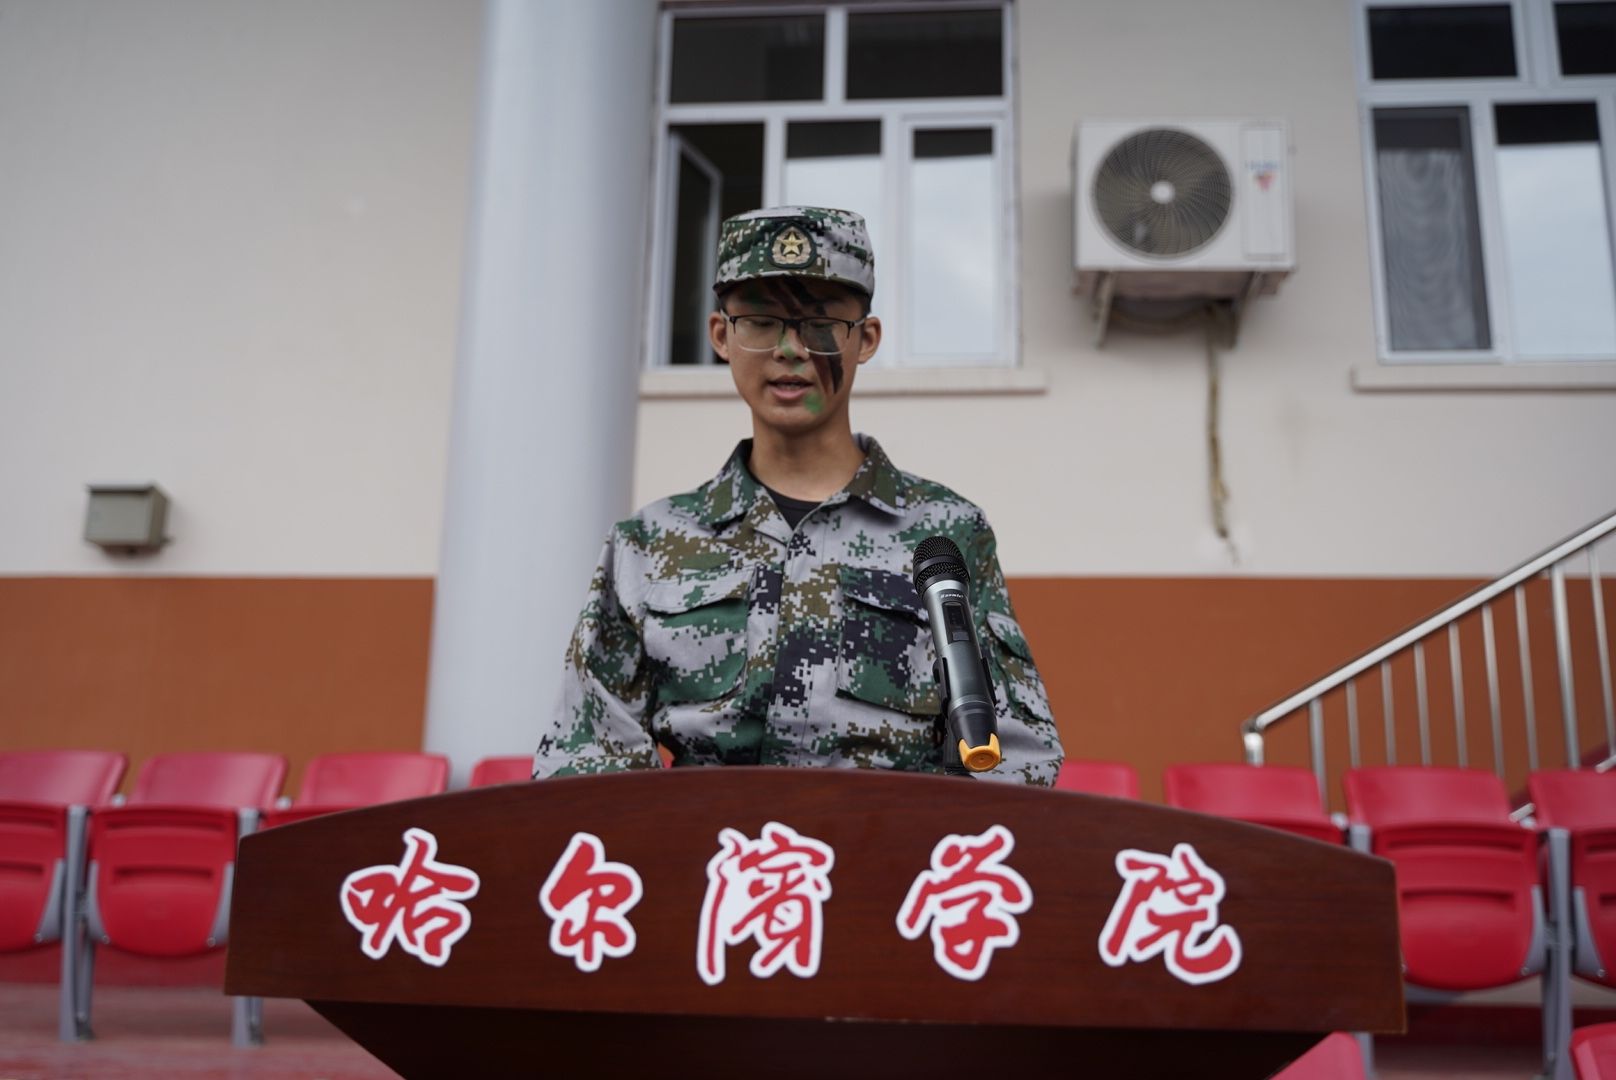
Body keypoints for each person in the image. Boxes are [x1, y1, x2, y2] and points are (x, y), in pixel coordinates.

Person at [535, 206, 1062, 784]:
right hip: (709, 841)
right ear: (721, 336)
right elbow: (587, 759)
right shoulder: (650, 544)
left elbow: (1013, 758)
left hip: (892, 837)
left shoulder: (944, 535)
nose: (790, 349)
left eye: (820, 323)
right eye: (760, 322)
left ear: (866, 339)